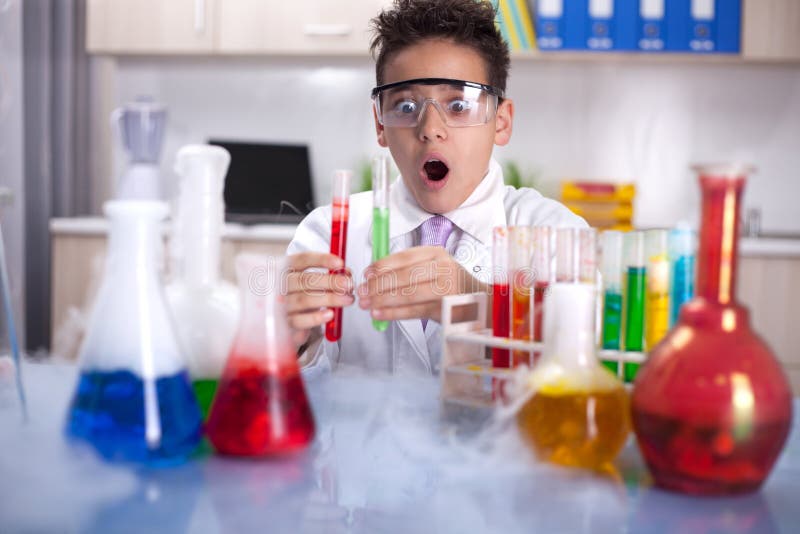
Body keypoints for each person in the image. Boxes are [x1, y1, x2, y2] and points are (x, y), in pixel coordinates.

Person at [285, 0, 587, 375]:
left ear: (501, 122)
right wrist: (283, 339)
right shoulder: (329, 235)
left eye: (459, 104)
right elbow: (282, 391)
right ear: (380, 125)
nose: (429, 128)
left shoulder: (556, 234)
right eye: (406, 107)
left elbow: (587, 352)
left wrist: (476, 302)